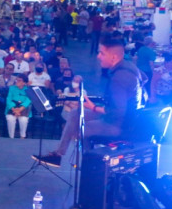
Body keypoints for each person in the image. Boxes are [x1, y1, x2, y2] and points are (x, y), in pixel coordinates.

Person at [34, 36, 146, 167]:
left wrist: (94, 108)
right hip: (121, 118)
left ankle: (91, 164)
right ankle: (59, 155)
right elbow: (144, 79)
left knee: (79, 129)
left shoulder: (120, 77)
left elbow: (118, 111)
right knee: (76, 113)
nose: (98, 56)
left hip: (119, 124)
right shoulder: (129, 66)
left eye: (102, 53)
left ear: (114, 57)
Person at [5, 74, 31, 138]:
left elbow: (28, 100)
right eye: (17, 80)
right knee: (10, 119)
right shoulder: (11, 88)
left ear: (24, 83)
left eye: (19, 80)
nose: (17, 81)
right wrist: (14, 109)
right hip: (12, 108)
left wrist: (19, 110)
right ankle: (11, 137)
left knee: (23, 120)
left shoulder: (28, 90)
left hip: (23, 109)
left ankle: (22, 136)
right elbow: (8, 99)